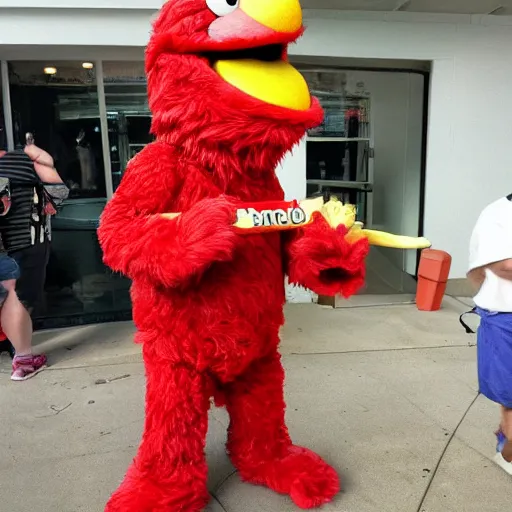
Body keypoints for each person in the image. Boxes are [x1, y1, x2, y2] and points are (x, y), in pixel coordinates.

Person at [467, 193, 512, 475]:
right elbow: (503, 265)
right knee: (510, 396)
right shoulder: (498, 213)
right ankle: (505, 452)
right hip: (504, 319)